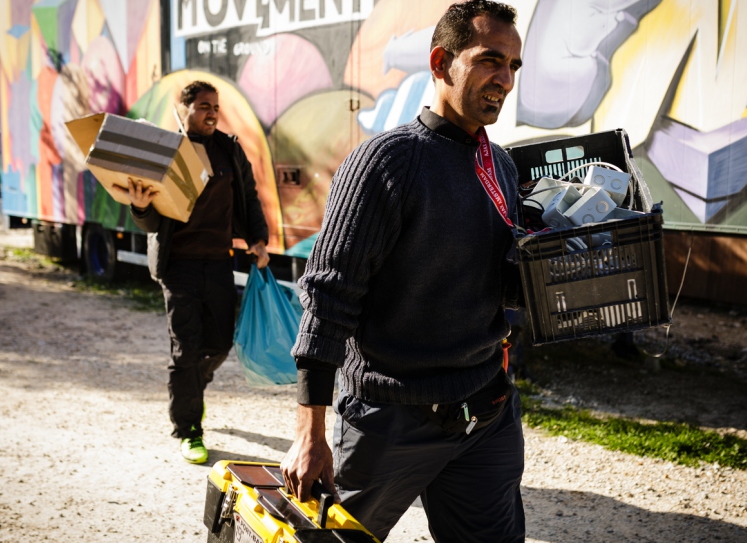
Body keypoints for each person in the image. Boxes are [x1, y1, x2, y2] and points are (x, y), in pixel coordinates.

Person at [280, 1, 525, 541]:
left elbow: (491, 284)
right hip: (388, 420)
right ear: (441, 62)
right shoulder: (386, 162)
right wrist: (310, 432)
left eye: (513, 66)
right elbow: (328, 297)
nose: (504, 79)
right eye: (489, 61)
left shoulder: (500, 166)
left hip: (485, 413)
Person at [123, 81, 269, 464]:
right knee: (185, 349)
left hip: (219, 261)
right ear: (183, 108)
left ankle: (195, 387)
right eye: (204, 106)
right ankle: (188, 428)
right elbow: (151, 217)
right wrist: (139, 208)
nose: (212, 113)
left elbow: (248, 196)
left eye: (216, 107)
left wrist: (258, 239)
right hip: (179, 266)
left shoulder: (228, 149)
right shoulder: (166, 151)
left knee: (219, 345)